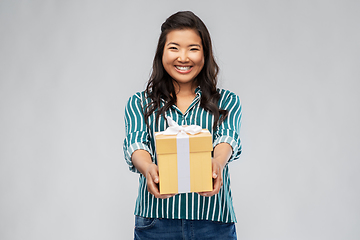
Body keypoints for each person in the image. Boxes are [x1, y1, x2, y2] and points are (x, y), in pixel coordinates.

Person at [123, 11, 242, 240]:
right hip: (156, 222)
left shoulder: (227, 101)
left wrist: (217, 162)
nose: (183, 57)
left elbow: (227, 138)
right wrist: (148, 168)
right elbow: (137, 144)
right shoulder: (139, 103)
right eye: (174, 48)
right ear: (162, 53)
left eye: (193, 49)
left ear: (205, 54)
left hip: (213, 220)